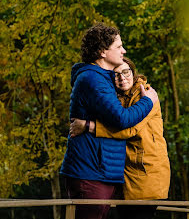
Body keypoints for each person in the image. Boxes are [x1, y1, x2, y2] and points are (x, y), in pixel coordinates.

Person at [60, 23, 159, 219]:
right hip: (90, 173)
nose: (124, 50)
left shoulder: (104, 79)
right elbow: (122, 119)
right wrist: (149, 100)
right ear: (102, 51)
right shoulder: (93, 79)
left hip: (101, 172)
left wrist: (88, 126)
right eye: (118, 46)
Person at [70, 57, 170, 219]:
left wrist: (88, 126)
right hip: (124, 173)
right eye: (116, 75)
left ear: (133, 72)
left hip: (146, 172)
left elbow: (128, 129)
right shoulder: (117, 98)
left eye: (126, 72)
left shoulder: (146, 95)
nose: (122, 78)